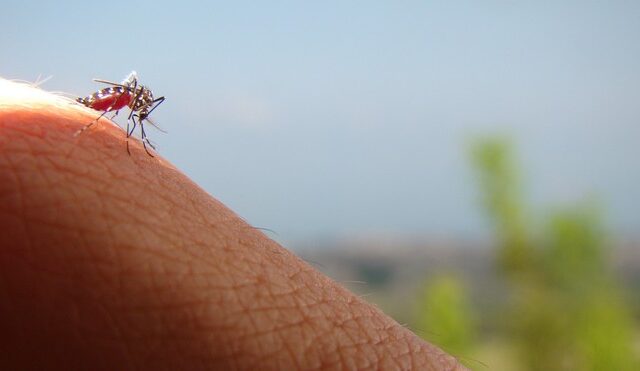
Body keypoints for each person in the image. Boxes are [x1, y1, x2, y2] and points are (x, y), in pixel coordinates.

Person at [0, 78, 464, 370]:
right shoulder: (121, 101)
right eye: (138, 111)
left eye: (138, 111)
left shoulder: (136, 102)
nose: (139, 113)